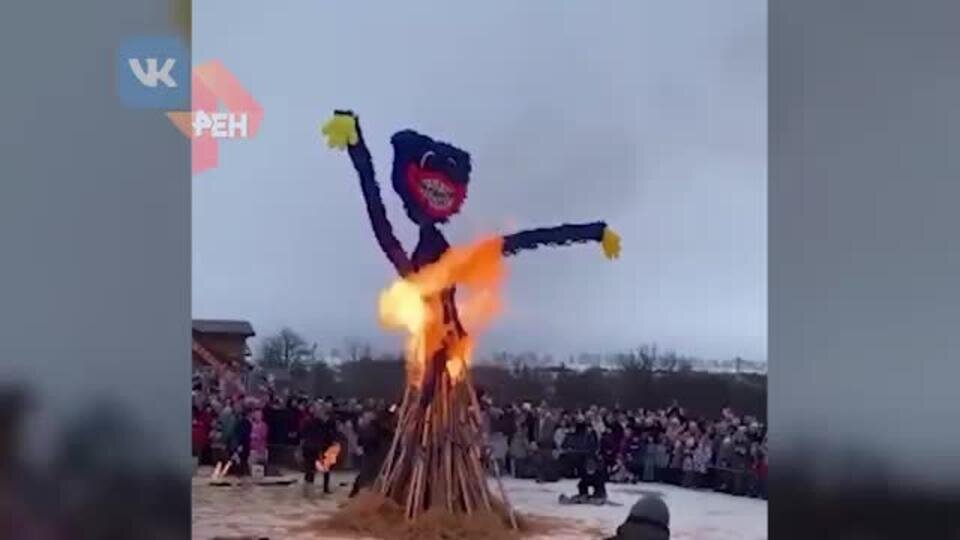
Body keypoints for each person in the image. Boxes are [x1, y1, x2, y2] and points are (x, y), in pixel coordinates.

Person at [300, 403, 338, 497]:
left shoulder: (308, 421)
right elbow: (327, 435)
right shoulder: (322, 423)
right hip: (314, 447)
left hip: (308, 446)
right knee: (312, 468)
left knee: (309, 468)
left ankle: (307, 490)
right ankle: (309, 490)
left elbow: (302, 433)